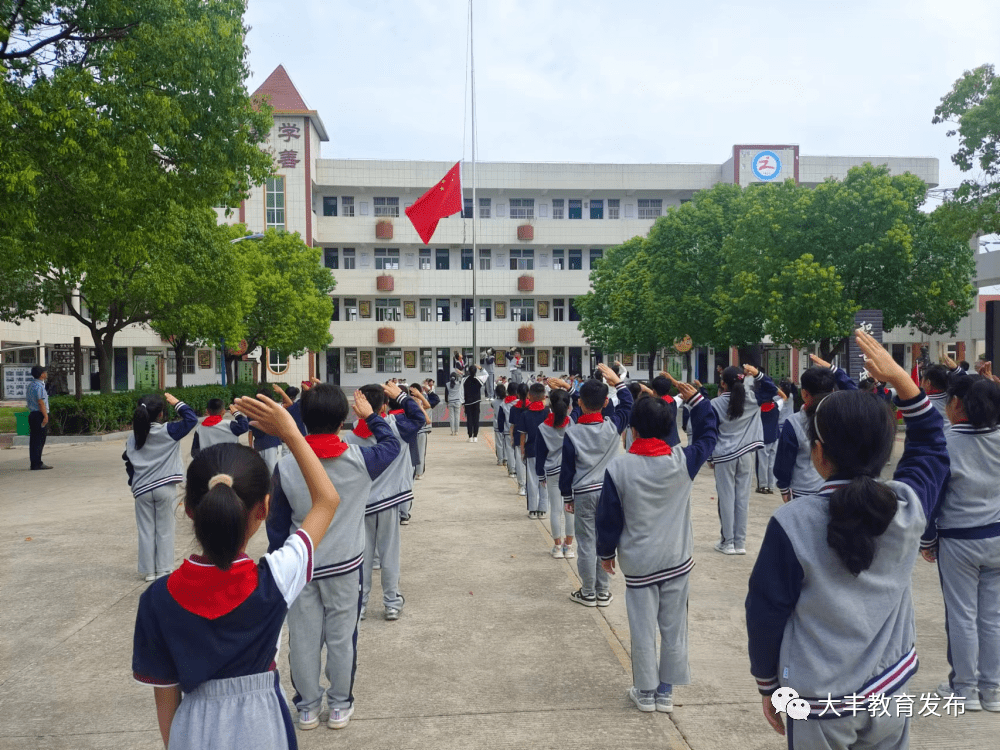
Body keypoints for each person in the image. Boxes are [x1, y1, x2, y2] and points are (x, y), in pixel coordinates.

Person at [747, 328, 949, 747]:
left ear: (818, 453)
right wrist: (902, 381)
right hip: (890, 693)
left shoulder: (791, 522)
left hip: (820, 702)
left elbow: (766, 612)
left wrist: (768, 684)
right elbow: (932, 445)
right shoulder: (907, 507)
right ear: (887, 449)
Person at [132, 393, 340, 750]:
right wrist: (291, 433)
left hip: (194, 730)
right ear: (265, 509)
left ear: (188, 509)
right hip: (263, 728)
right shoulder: (275, 577)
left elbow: (165, 696)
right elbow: (327, 500)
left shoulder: (157, 598)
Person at [266, 384, 400, 731]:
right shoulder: (360, 460)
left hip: (302, 563)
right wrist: (371, 417)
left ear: (304, 420)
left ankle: (307, 707)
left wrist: (280, 564)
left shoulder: (286, 466)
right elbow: (393, 446)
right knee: (342, 638)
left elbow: (277, 524)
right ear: (343, 419)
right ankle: (340, 705)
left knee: (303, 637)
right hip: (345, 566)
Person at [597, 381, 718, 713]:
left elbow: (608, 516)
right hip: (676, 558)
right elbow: (709, 437)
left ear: (633, 430)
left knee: (642, 628)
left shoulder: (619, 467)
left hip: (639, 563)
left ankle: (645, 691)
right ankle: (666, 692)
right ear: (669, 427)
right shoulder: (683, 460)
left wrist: (606, 553)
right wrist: (697, 400)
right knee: (674, 627)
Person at [920, 372, 1000, 712]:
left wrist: (927, 539)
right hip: (997, 536)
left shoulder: (946, 442)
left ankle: (965, 690)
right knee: (993, 617)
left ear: (956, 404)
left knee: (963, 616)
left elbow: (934, 496)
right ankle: (993, 691)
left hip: (959, 541)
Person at [343, 382, 424, 620]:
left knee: (363, 557)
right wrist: (401, 396)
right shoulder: (396, 426)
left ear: (358, 407)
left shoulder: (349, 437)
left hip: (361, 505)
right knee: (389, 555)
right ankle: (391, 602)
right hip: (389, 502)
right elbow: (419, 418)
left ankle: (362, 604)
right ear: (384, 405)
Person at [560, 363, 633, 607]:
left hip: (583, 493)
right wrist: (618, 383)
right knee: (606, 541)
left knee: (586, 543)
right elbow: (628, 404)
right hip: (610, 493)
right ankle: (603, 591)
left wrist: (566, 496)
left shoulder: (573, 433)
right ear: (605, 404)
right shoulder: (613, 426)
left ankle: (588, 591)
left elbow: (567, 469)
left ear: (579, 404)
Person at [123, 393, 198, 582]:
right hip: (165, 487)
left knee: (146, 530)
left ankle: (149, 571)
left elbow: (128, 461)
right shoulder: (169, 431)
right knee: (165, 529)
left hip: (142, 489)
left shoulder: (133, 436)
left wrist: (134, 482)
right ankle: (164, 569)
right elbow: (191, 419)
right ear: (161, 414)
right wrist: (177, 403)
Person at [710, 364, 776, 555]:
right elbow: (772, 390)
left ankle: (727, 542)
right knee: (742, 499)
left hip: (724, 456)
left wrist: (709, 457)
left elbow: (710, 431)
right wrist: (758, 375)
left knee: (726, 498)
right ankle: (740, 543)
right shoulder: (753, 399)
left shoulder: (714, 404)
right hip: (747, 454)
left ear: (722, 383)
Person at [773, 356, 856, 504]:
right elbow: (857, 396)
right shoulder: (844, 417)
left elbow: (784, 460)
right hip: (837, 489)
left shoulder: (793, 422)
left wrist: (784, 487)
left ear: (804, 394)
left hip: (803, 491)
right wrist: (835, 371)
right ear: (832, 390)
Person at [536, 388, 575, 558]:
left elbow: (540, 454)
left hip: (552, 472)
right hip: (570, 471)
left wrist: (540, 475)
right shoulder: (572, 423)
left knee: (555, 509)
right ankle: (569, 547)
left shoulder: (543, 427)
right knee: (570, 509)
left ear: (550, 404)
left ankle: (557, 547)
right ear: (568, 406)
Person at [517, 381, 550, 519]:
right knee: (544, 480)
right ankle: (542, 509)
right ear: (544, 396)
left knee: (531, 479)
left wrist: (522, 451)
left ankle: (532, 509)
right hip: (547, 452)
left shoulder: (525, 414)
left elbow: (523, 435)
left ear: (529, 395)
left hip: (531, 450)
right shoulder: (548, 413)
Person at [754, 385, 786, 495]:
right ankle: (771, 486)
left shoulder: (758, 409)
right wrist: (774, 388)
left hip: (762, 438)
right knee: (772, 463)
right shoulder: (777, 405)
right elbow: (784, 397)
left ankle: (763, 486)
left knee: (763, 463)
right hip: (775, 437)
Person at [248, 386, 283, 474]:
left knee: (261, 471)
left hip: (259, 444)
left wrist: (250, 446)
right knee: (271, 470)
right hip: (270, 443)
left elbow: (250, 431)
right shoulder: (273, 410)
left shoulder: (252, 411)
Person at [26, 364, 51, 470]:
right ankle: (37, 463)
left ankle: (34, 462)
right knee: (39, 440)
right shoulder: (39, 386)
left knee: (34, 440)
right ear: (42, 375)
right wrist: (45, 416)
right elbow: (41, 403)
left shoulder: (31, 385)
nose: (46, 373)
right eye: (45, 372)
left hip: (32, 414)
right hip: (39, 415)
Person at [409, 383, 434, 483]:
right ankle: (418, 472)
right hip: (418, 430)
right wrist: (419, 397)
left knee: (416, 452)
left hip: (415, 430)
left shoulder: (411, 401)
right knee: (419, 452)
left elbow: (428, 405)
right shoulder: (415, 401)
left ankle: (416, 472)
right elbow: (427, 406)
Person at [509, 383, 529, 496]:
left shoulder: (514, 408)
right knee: (529, 464)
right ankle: (530, 486)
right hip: (530, 438)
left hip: (517, 437)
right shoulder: (531, 407)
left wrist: (511, 438)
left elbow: (512, 426)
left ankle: (522, 486)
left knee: (520, 462)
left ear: (517, 394)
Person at [500, 384, 519, 480]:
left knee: (510, 450)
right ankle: (520, 470)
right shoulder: (519, 402)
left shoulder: (504, 402)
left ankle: (512, 470)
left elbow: (501, 417)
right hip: (519, 430)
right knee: (518, 451)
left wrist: (500, 429)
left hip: (507, 430)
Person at [462, 363, 484, 442]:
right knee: (476, 419)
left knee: (469, 420)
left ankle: (470, 436)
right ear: (475, 371)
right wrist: (480, 368)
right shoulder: (478, 379)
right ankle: (475, 436)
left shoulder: (464, 380)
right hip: (476, 402)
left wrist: (462, 402)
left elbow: (461, 391)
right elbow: (486, 374)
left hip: (468, 402)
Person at [491, 383, 508, 466]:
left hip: (497, 424)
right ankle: (506, 458)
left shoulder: (494, 402)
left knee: (499, 442)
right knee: (506, 442)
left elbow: (492, 405)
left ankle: (500, 459)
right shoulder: (506, 402)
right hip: (506, 424)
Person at [445, 371, 463, 436]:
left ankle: (452, 431)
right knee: (457, 417)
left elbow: (446, 394)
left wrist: (447, 402)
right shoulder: (459, 383)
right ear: (456, 378)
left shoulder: (447, 384)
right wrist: (459, 375)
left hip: (450, 402)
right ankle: (457, 431)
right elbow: (463, 378)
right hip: (458, 401)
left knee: (451, 417)